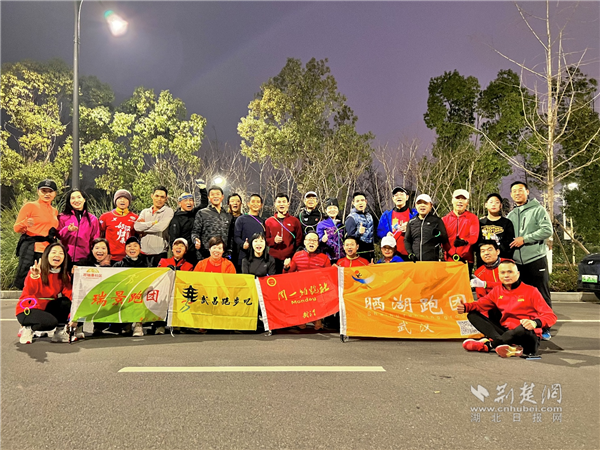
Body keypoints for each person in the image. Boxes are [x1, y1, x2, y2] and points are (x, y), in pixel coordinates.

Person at [458, 260, 557, 358]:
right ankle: (509, 345)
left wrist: (535, 323)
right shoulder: (497, 291)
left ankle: (490, 345)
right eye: (503, 272)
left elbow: (551, 316)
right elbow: (480, 305)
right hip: (506, 331)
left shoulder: (531, 291)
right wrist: (465, 307)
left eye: (510, 272)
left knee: (522, 328)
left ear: (518, 274)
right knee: (472, 315)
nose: (506, 275)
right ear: (499, 275)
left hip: (527, 335)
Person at [507, 181, 553, 340]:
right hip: (517, 263)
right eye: (514, 191)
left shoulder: (538, 209)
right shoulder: (511, 215)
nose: (517, 193)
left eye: (520, 190)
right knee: (521, 297)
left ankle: (545, 327)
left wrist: (525, 239)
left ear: (527, 192)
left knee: (541, 294)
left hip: (535, 259)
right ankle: (525, 328)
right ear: (511, 195)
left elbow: (547, 230)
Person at [16, 243, 74, 344]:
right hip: (29, 308)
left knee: (65, 302)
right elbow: (31, 291)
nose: (57, 255)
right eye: (54, 252)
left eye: (61, 253)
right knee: (50, 323)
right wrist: (35, 277)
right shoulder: (36, 270)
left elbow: (69, 295)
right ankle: (28, 328)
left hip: (47, 309)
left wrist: (72, 316)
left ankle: (59, 333)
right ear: (46, 255)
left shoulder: (64, 275)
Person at [13, 179, 59, 289]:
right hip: (32, 247)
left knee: (45, 279)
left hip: (48, 249)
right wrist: (25, 223)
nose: (47, 194)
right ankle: (26, 299)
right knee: (28, 277)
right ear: (38, 191)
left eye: (50, 191)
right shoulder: (30, 206)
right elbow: (16, 228)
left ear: (55, 194)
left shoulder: (54, 211)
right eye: (44, 191)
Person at [283, 231, 331, 330]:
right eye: (309, 240)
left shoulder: (324, 258)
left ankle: (318, 319)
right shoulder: (297, 255)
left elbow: (328, 276)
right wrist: (286, 267)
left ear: (318, 243)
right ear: (304, 242)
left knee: (318, 327)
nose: (311, 242)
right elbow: (288, 273)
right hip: (301, 290)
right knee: (301, 326)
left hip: (317, 291)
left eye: (314, 240)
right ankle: (300, 318)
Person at [74, 238, 115, 337]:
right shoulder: (83, 264)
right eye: (97, 248)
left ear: (108, 251)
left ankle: (99, 327)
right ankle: (79, 326)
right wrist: (74, 269)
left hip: (103, 297)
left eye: (103, 248)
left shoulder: (114, 265)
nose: (100, 251)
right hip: (87, 297)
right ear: (92, 250)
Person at [113, 237, 149, 337]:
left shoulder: (146, 264)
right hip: (124, 295)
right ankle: (126, 324)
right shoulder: (118, 265)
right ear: (125, 250)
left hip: (140, 295)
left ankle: (138, 324)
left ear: (140, 249)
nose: (132, 248)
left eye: (135, 246)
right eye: (129, 246)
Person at [168, 181, 209, 267]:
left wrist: (203, 189)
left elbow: (204, 204)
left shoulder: (194, 213)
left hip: (197, 253)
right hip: (184, 255)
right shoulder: (176, 219)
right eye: (185, 200)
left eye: (191, 200)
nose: (189, 202)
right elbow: (174, 240)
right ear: (180, 203)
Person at [134, 186, 174, 267]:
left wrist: (143, 227)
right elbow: (136, 227)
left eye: (162, 197)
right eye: (157, 196)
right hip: (143, 252)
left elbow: (160, 228)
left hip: (159, 252)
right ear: (152, 196)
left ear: (166, 199)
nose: (159, 199)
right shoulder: (145, 212)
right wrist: (152, 223)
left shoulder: (168, 211)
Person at [58, 189, 100, 264]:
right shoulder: (62, 217)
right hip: (65, 258)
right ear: (69, 201)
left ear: (84, 199)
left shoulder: (93, 219)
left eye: (79, 197)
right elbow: (59, 236)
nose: (76, 200)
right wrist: (67, 229)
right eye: (73, 198)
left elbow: (95, 240)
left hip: (85, 259)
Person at [443, 189, 480, 273]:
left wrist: (464, 242)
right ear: (452, 200)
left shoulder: (472, 218)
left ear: (467, 202)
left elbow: (474, 237)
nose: (460, 201)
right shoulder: (445, 219)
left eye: (463, 199)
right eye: (457, 198)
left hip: (466, 260)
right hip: (449, 260)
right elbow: (443, 241)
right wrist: (452, 254)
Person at [191, 186, 232, 262]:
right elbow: (195, 232)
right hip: (204, 256)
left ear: (222, 197)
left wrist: (229, 251)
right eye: (212, 194)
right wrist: (195, 240)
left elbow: (230, 236)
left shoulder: (228, 215)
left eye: (218, 194)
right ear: (209, 197)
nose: (215, 196)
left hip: (223, 257)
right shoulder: (202, 213)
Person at [265, 193, 303, 274]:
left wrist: (293, 252)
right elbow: (265, 240)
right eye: (279, 202)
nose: (281, 204)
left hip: (289, 258)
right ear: (275, 204)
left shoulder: (295, 221)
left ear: (288, 204)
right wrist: (273, 240)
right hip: (273, 258)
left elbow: (299, 239)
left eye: (284, 202)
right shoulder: (269, 221)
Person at [404, 194, 448, 262]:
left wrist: (438, 234)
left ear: (431, 205)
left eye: (425, 203)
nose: (422, 205)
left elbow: (444, 239)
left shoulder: (437, 221)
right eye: (419, 203)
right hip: (415, 262)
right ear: (416, 205)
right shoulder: (411, 222)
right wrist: (410, 253)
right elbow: (407, 240)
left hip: (432, 262)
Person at [377, 187, 417, 260]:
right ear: (393, 199)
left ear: (407, 197)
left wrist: (409, 229)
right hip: (392, 255)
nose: (399, 197)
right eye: (396, 195)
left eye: (401, 194)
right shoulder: (386, 215)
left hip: (411, 254)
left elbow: (421, 231)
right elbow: (379, 232)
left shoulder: (415, 214)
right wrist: (386, 234)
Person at [99, 189, 138, 262]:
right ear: (115, 201)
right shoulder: (105, 217)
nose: (122, 200)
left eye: (125, 198)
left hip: (129, 257)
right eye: (120, 198)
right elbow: (100, 235)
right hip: (109, 257)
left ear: (129, 201)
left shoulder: (135, 218)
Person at [478, 193, 515, 262]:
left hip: (502, 260)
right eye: (491, 202)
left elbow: (509, 244)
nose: (493, 204)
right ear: (486, 205)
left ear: (501, 205)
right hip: (483, 261)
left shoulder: (507, 223)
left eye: (497, 202)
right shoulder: (480, 223)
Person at [234, 194, 266, 267]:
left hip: (259, 258)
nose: (255, 204)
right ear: (248, 204)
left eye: (258, 202)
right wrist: (243, 244)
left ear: (261, 205)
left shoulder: (263, 221)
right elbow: (236, 237)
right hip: (244, 257)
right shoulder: (241, 219)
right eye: (253, 201)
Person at [345, 192, 378, 262]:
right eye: (357, 201)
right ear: (353, 203)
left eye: (362, 200)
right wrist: (359, 233)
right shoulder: (351, 218)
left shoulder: (369, 216)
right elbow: (349, 238)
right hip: (358, 251)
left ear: (366, 202)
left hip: (370, 249)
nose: (360, 203)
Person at [316, 198, 345, 263]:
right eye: (330, 208)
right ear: (326, 210)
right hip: (328, 258)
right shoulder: (321, 224)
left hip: (342, 257)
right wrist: (322, 240)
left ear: (338, 210)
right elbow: (317, 241)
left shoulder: (341, 224)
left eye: (334, 208)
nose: (332, 210)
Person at [227, 193, 244, 271]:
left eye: (237, 201)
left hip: (240, 253)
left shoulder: (244, 219)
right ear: (228, 204)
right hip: (226, 253)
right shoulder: (224, 218)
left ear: (241, 204)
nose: (235, 203)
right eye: (232, 201)